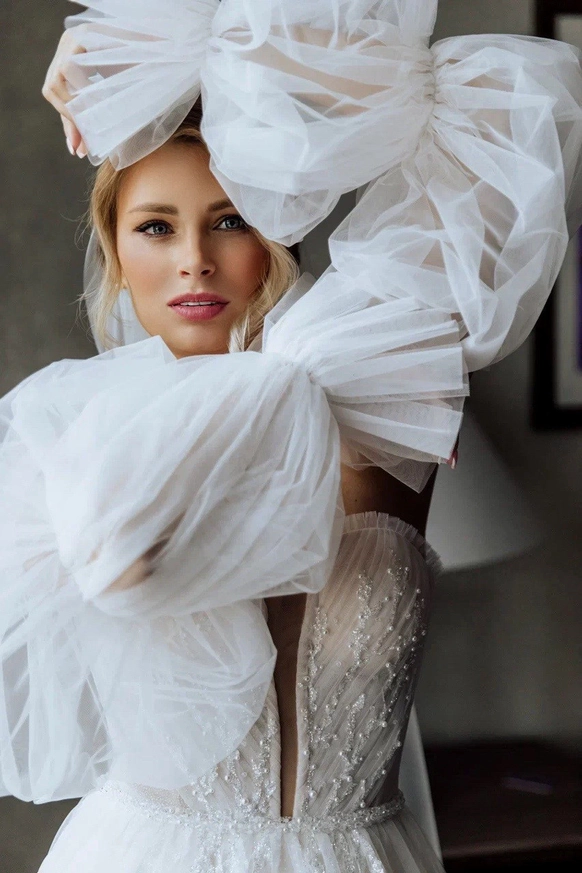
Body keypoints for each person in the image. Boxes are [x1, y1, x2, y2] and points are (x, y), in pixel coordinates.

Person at [2, 1, 582, 871]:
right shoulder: (74, 431)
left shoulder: (373, 379)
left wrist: (184, 54)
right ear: (117, 255)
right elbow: (117, 561)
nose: (194, 258)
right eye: (156, 226)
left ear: (279, 229)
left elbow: (501, 115)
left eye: (232, 217)